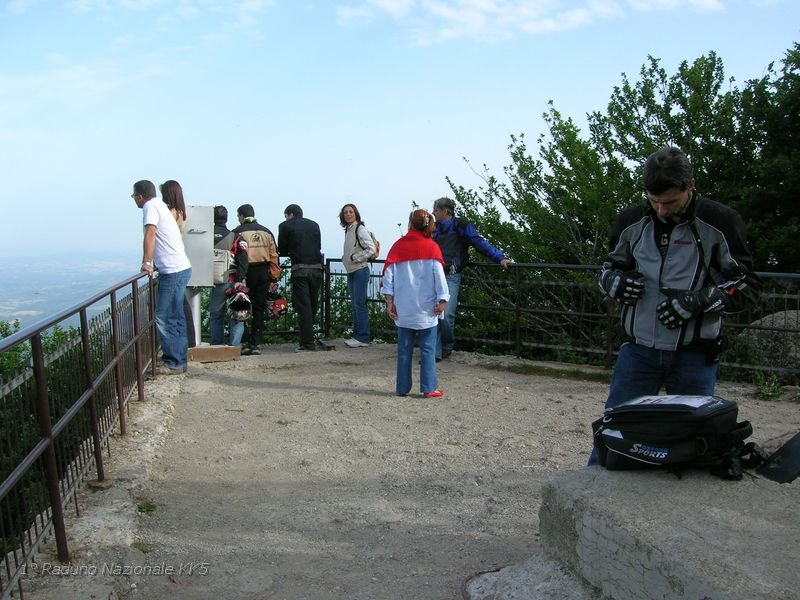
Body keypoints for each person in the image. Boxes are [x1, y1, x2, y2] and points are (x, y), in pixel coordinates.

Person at [590, 146, 762, 464]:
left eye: (670, 202)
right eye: (654, 201)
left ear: (690, 186)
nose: (662, 210)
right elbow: (608, 269)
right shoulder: (631, 220)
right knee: (614, 437)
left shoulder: (720, 222)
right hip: (638, 352)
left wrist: (702, 300)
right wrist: (611, 283)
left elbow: (748, 287)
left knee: (695, 445)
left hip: (695, 356)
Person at [431, 197, 511, 361]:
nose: (433, 213)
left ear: (445, 211)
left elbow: (478, 242)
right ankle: (435, 352)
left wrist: (499, 258)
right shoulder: (434, 228)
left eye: (436, 210)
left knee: (446, 315)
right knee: (434, 314)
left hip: (451, 275)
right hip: (435, 275)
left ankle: (445, 347)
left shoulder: (460, 226)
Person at [381, 209, 450, 398]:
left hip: (404, 307)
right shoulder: (432, 247)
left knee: (404, 350)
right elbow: (439, 278)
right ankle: (429, 387)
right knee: (428, 348)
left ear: (410, 223)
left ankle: (402, 388)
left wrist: (389, 301)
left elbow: (388, 277)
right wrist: (442, 300)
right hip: (426, 309)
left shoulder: (397, 247)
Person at [131, 180, 192, 375]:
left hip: (172, 270)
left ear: (140, 196)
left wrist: (147, 262)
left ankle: (173, 361)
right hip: (181, 267)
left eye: (134, 197)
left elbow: (150, 233)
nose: (134, 200)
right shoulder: (161, 206)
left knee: (164, 315)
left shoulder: (150, 207)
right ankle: (180, 360)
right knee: (176, 314)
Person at [232, 204, 280, 356]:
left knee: (241, 307)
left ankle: (244, 342)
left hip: (244, 272)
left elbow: (232, 254)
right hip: (263, 273)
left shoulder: (237, 232)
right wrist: (274, 277)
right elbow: (274, 256)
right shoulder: (267, 232)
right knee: (258, 308)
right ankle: (256, 343)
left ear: (241, 216)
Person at [278, 204, 324, 352]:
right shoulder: (314, 225)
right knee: (312, 305)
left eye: (286, 216)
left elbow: (282, 249)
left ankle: (307, 343)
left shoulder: (285, 226)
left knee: (303, 306)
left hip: (300, 270)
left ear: (290, 214)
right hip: (317, 269)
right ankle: (309, 337)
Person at [209, 206, 249, 347]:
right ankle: (234, 346)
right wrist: (239, 280)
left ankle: (217, 345)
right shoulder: (236, 238)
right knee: (238, 313)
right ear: (226, 219)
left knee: (215, 314)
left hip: (214, 281)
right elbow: (244, 261)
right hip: (233, 281)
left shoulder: (206, 237)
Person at [339, 203, 376, 348]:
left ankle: (363, 336)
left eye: (350, 212)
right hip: (352, 271)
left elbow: (371, 249)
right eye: (345, 212)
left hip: (359, 270)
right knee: (355, 304)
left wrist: (356, 258)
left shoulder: (359, 229)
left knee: (359, 304)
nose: (348, 214)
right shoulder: (349, 230)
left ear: (356, 214)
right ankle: (357, 335)